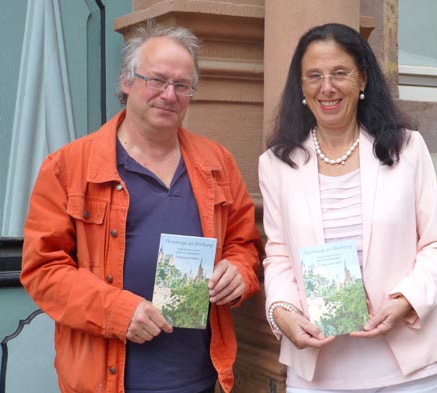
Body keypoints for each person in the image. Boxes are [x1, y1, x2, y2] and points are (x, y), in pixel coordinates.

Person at [21, 23, 262, 393]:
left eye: (182, 85)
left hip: (198, 379)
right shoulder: (68, 167)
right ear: (126, 81)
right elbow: (43, 270)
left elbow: (244, 245)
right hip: (105, 382)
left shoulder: (217, 163)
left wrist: (239, 273)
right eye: (157, 80)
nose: (169, 94)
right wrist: (115, 311)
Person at [258, 23, 437, 393]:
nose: (327, 87)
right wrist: (282, 312)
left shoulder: (407, 149)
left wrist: (405, 300)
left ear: (363, 79)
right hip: (317, 371)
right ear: (301, 86)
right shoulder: (277, 164)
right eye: (314, 76)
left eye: (340, 73)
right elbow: (279, 256)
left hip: (408, 370)